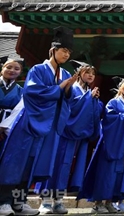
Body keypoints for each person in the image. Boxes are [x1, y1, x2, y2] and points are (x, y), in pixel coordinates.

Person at [0, 27, 76, 216]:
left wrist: (67, 90)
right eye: (63, 50)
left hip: (49, 127)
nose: (66, 54)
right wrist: (59, 89)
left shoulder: (66, 75)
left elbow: (67, 100)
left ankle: (20, 201)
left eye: (69, 52)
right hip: (30, 122)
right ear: (53, 50)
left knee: (32, 164)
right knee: (16, 162)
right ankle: (4, 201)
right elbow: (32, 93)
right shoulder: (38, 69)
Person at [39, 60, 101, 215]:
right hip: (63, 131)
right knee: (53, 164)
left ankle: (58, 200)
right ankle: (45, 201)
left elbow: (94, 113)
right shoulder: (72, 88)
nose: (90, 76)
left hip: (77, 135)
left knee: (66, 166)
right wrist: (88, 98)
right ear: (79, 73)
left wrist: (93, 100)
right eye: (87, 72)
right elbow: (69, 106)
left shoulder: (89, 91)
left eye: (93, 74)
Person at [78, 77, 124, 212]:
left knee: (118, 174)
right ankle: (98, 203)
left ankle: (109, 202)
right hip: (111, 143)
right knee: (105, 173)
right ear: (121, 88)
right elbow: (109, 120)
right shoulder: (114, 102)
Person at [0, 56, 24, 150]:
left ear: (20, 72)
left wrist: (2, 128)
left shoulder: (21, 91)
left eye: (16, 69)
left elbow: (18, 111)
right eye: (8, 67)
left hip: (7, 126)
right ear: (2, 68)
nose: (12, 70)